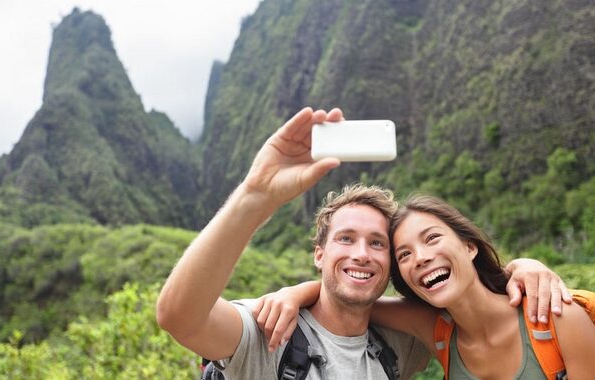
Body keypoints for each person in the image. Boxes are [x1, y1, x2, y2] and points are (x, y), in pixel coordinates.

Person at [156, 107, 569, 379]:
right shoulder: (270, 329)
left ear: (392, 265)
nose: (360, 253)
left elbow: (471, 301)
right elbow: (180, 317)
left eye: (378, 244)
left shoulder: (405, 343)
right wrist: (254, 196)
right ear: (319, 253)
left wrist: (521, 267)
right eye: (346, 239)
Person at [257, 194, 595, 379]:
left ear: (469, 247)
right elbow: (348, 297)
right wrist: (295, 293)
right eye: (405, 254)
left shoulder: (556, 319)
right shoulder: (436, 330)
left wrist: (524, 265)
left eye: (432, 239)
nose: (421, 258)